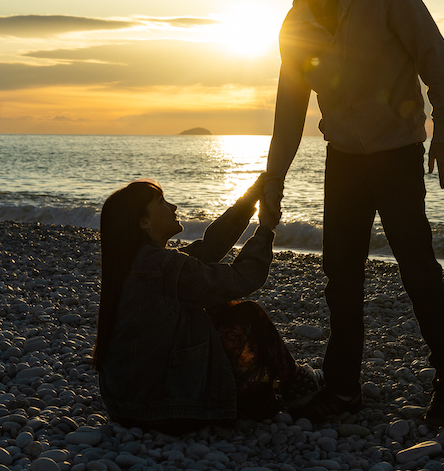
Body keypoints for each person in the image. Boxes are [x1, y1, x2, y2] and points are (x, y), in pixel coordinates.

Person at [249, 0, 444, 426]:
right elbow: (289, 110)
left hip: (397, 153)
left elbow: (432, 52)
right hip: (343, 157)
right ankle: (344, 389)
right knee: (340, 276)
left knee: (417, 266)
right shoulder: (295, 25)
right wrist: (273, 178)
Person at [92, 176, 322, 434]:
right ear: (144, 222)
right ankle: (295, 385)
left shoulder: (133, 262)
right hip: (164, 410)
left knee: (217, 311)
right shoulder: (164, 267)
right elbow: (243, 277)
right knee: (248, 313)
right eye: (162, 202)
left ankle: (283, 383)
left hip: (124, 406)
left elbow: (208, 249)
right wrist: (266, 229)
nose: (173, 207)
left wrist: (251, 197)